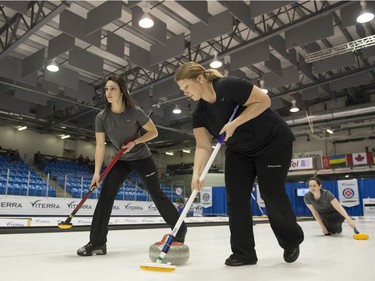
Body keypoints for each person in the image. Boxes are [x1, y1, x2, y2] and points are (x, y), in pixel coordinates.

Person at [174, 62, 304, 266]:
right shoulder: (199, 113)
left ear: (199, 78)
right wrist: (196, 173)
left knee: (271, 193)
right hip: (239, 150)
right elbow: (202, 146)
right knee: (236, 198)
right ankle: (244, 253)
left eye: (186, 87)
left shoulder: (228, 86)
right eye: (183, 90)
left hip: (272, 143)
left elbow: (264, 101)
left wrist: (235, 122)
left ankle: (291, 240)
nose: (186, 93)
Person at [77, 75, 187, 256]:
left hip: (142, 158)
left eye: (112, 88)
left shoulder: (135, 112)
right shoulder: (102, 117)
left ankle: (180, 229)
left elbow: (153, 132)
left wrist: (135, 143)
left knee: (156, 194)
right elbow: (99, 145)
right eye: (106, 89)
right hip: (121, 161)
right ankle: (97, 242)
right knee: (105, 196)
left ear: (122, 91)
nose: (108, 93)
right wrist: (96, 173)